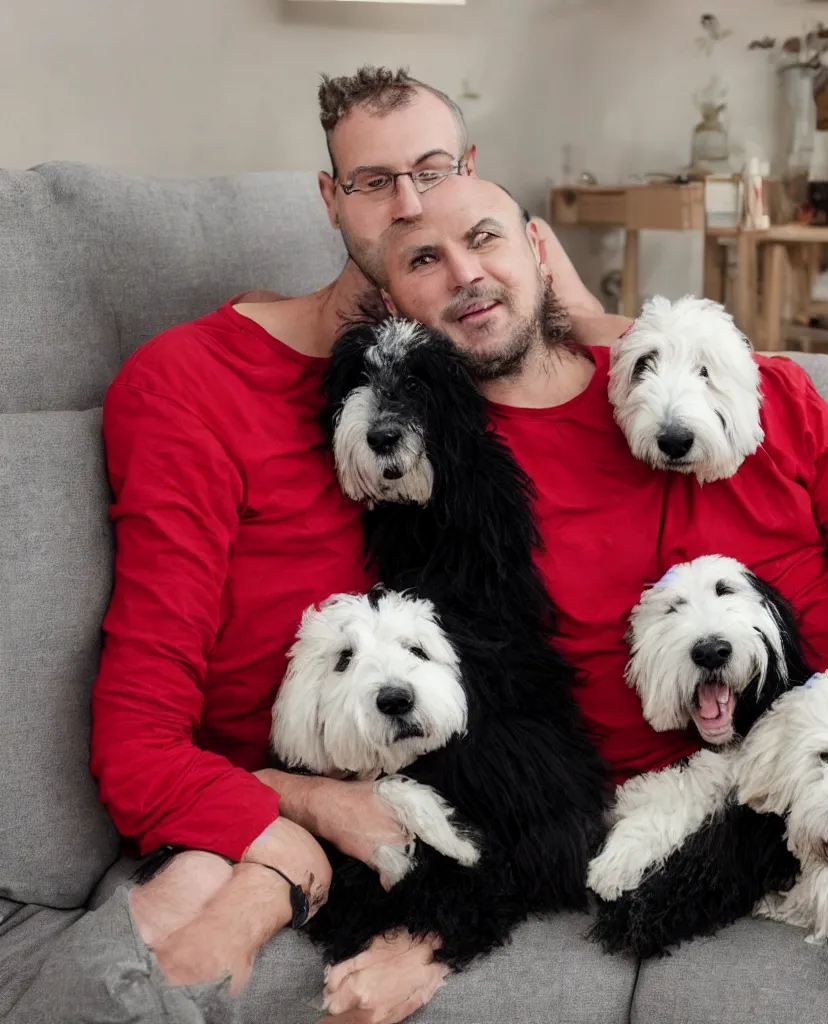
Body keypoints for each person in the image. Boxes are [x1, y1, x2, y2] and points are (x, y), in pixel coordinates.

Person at [8, 69, 602, 1024]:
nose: (409, 205)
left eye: (433, 171)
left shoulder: (473, 357)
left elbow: (591, 348)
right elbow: (139, 743)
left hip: (442, 760)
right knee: (173, 929)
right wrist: (300, 809)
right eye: (372, 182)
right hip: (254, 779)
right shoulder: (191, 385)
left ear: (473, 178)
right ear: (331, 201)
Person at [367, 172, 828, 1000]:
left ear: (538, 252)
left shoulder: (767, 389)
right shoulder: (459, 470)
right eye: (426, 258)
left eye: (486, 239)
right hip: (738, 782)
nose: (465, 273)